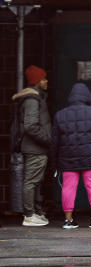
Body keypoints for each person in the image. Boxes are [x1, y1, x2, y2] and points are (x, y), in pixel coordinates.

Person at [50, 83, 91, 229]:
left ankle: (68, 221)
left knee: (68, 188)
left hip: (68, 158)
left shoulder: (60, 114)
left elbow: (54, 141)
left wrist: (54, 161)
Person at [12, 65, 51, 226]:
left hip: (36, 147)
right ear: (36, 81)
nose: (46, 81)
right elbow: (30, 126)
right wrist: (48, 139)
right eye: (43, 79)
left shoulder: (35, 98)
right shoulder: (32, 100)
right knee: (31, 181)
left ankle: (35, 212)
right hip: (35, 147)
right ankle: (29, 215)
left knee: (35, 181)